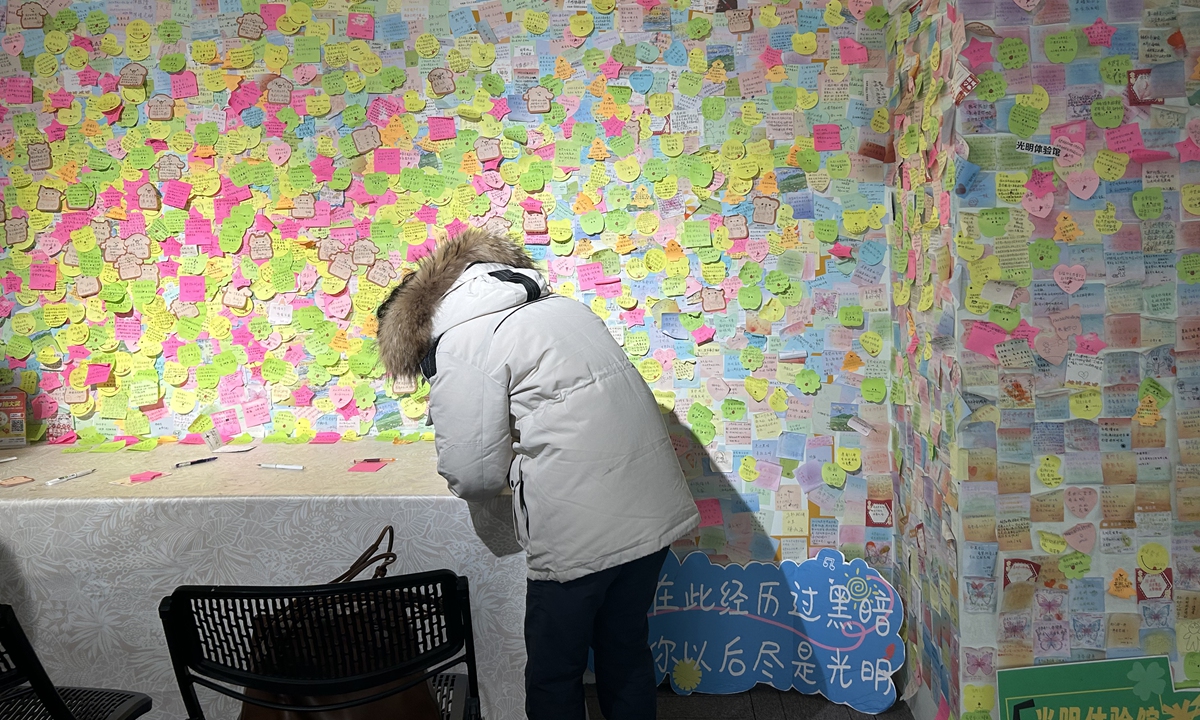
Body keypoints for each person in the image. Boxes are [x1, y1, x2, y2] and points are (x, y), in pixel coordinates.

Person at [376, 228, 700, 720]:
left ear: (415, 327)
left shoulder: (462, 344)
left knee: (554, 673)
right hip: (653, 512)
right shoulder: (562, 308)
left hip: (579, 530)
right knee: (626, 650)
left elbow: (474, 473)